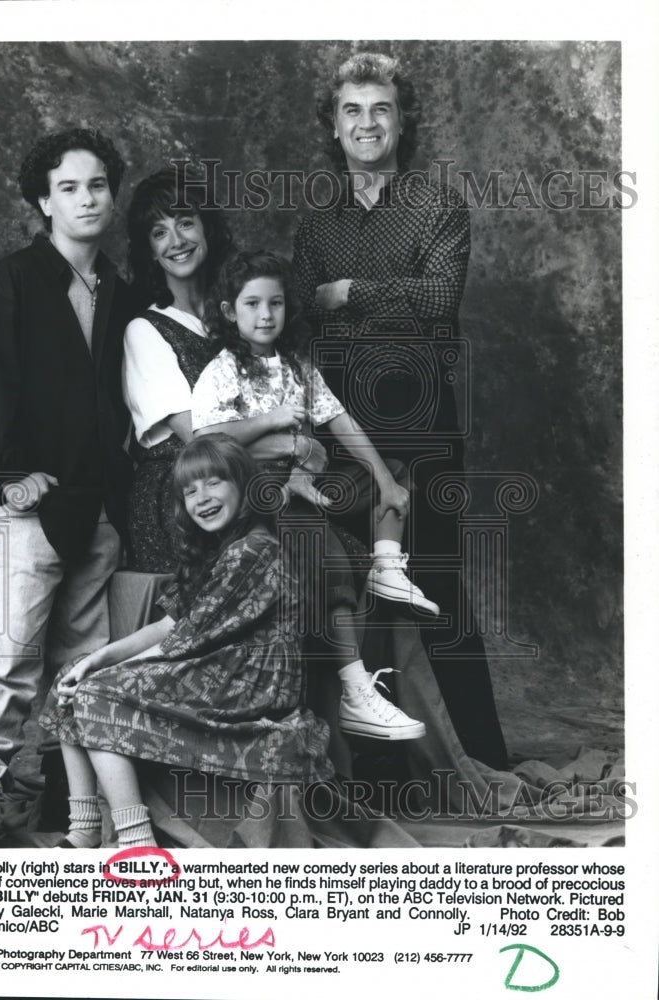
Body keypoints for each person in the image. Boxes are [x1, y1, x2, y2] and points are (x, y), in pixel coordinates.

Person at [292, 52, 508, 769]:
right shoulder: (315, 219)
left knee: (437, 579)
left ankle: (481, 753)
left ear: (401, 119)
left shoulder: (436, 204)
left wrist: (348, 290)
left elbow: (439, 301)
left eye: (379, 108)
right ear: (332, 123)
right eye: (351, 110)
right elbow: (297, 317)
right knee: (343, 578)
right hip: (341, 422)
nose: (365, 122)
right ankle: (374, 767)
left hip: (420, 418)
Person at [0, 128, 133, 847]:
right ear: (42, 202)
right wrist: (0, 476)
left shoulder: (115, 287)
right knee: (11, 655)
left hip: (95, 505)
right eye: (68, 188)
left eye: (96, 185)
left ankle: (65, 792)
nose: (86, 199)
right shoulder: (12, 281)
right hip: (27, 508)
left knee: (82, 661)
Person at [39, 435, 334, 848]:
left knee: (93, 694)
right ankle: (84, 828)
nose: (202, 498)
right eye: (190, 490)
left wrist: (105, 674)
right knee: (74, 673)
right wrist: (97, 660)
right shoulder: (213, 549)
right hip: (214, 667)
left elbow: (186, 641)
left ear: (243, 486)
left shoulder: (253, 550)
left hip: (249, 684)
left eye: (214, 483)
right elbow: (167, 625)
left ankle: (137, 841)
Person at [193, 249, 433, 741]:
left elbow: (340, 421)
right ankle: (354, 689)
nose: (265, 315)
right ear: (228, 312)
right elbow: (207, 443)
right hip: (256, 490)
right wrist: (275, 427)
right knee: (319, 542)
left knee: (390, 470)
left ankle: (388, 565)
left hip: (304, 476)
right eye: (252, 304)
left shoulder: (297, 365)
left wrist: (384, 484)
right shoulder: (223, 370)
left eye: (275, 304)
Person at [123, 166, 328, 573]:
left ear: (207, 229)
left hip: (253, 480)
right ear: (148, 249)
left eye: (185, 223)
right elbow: (202, 442)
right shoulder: (145, 331)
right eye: (159, 232)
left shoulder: (242, 311)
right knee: (304, 555)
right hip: (186, 497)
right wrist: (294, 447)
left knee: (337, 540)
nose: (177, 241)